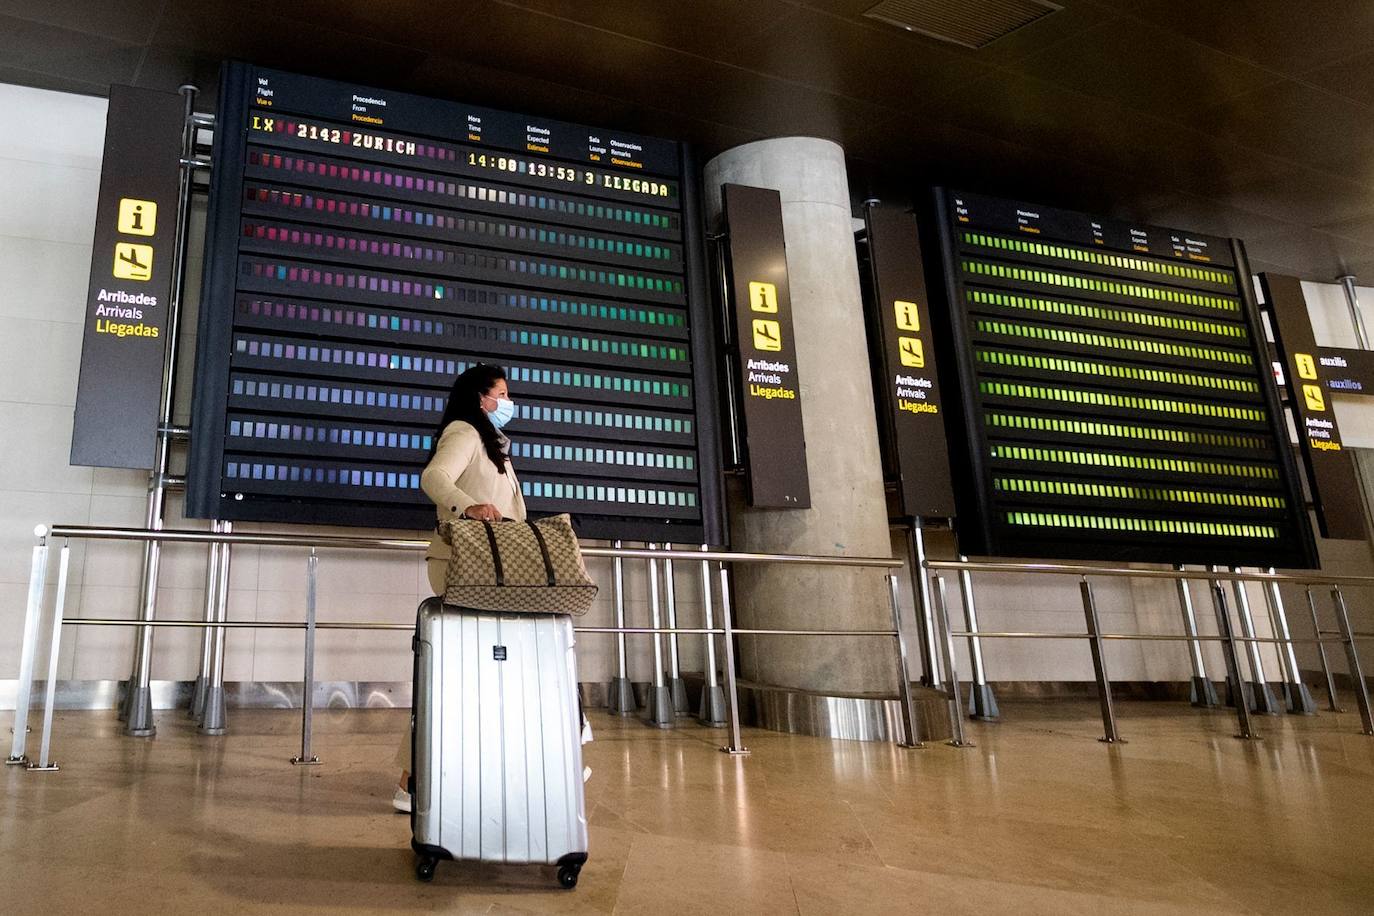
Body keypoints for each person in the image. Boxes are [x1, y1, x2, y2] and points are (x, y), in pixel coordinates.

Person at [393, 364, 524, 813]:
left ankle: (426, 780)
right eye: (501, 394)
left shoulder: (493, 445)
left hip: (490, 569)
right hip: (462, 566)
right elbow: (433, 479)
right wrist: (470, 508)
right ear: (480, 397)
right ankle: (412, 782)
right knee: (458, 677)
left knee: (474, 676)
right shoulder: (465, 431)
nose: (507, 403)